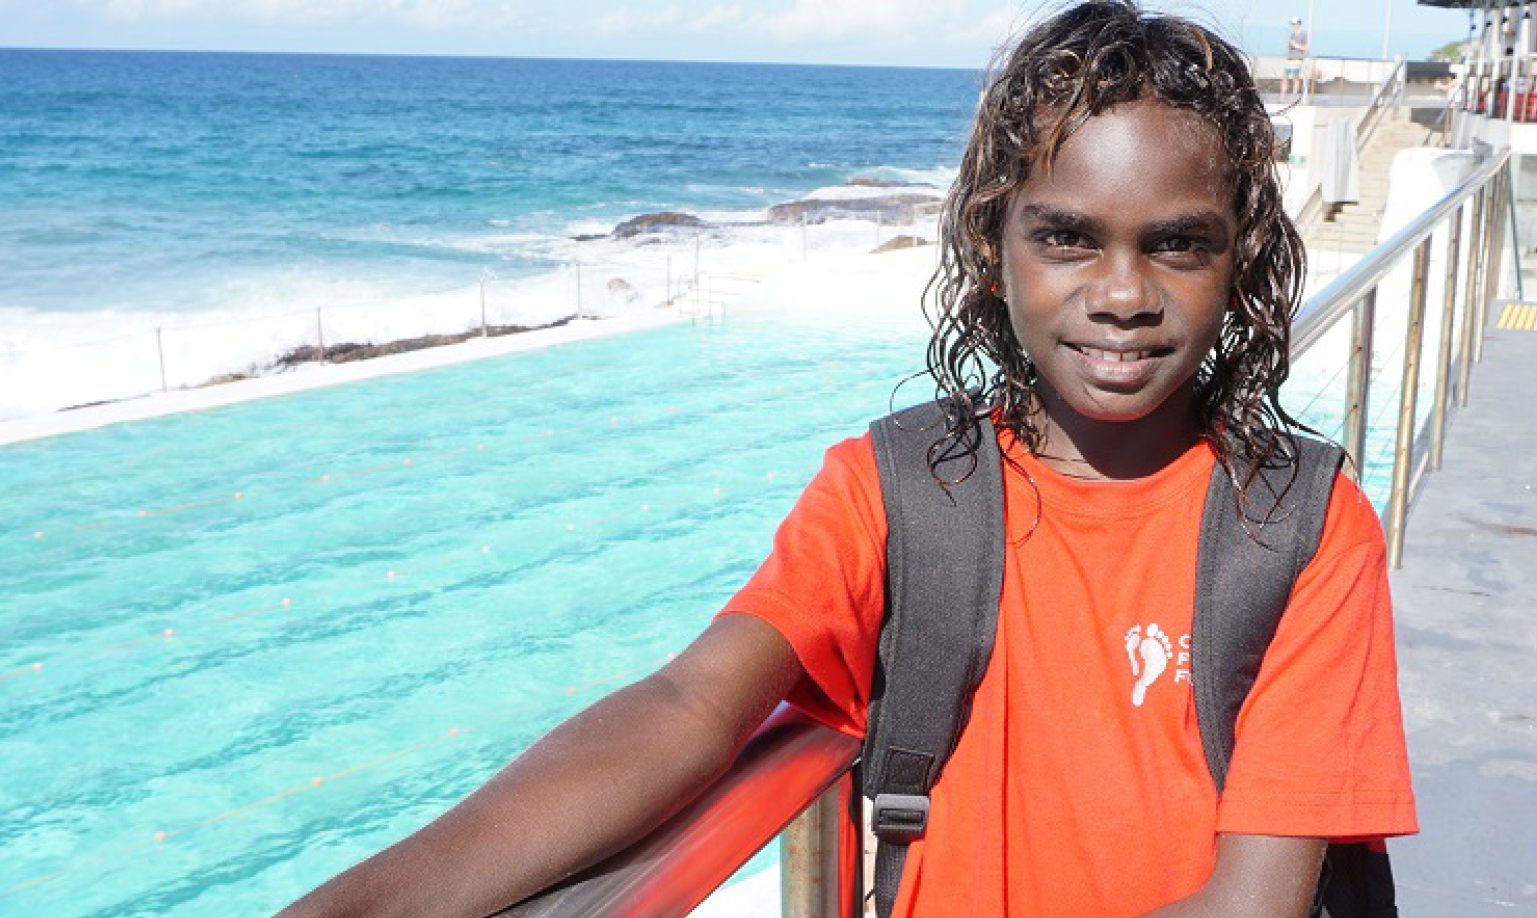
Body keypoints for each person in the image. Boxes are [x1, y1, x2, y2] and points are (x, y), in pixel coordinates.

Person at [279, 3, 1416, 916]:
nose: (1121, 295)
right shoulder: (894, 491)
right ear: (991, 242)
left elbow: (1253, 901)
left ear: (1241, 258)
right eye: (1065, 235)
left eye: (1176, 244)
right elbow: (690, 704)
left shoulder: (1301, 531)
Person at [1283, 16, 1310, 98]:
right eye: (1293, 24)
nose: (1293, 25)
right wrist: (1289, 44)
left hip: (1298, 59)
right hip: (1290, 58)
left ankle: (1293, 98)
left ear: (1298, 24)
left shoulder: (1303, 34)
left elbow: (1306, 47)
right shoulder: (1292, 34)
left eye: (1294, 24)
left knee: (1295, 78)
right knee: (1284, 78)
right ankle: (1282, 97)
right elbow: (1290, 46)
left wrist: (1295, 45)